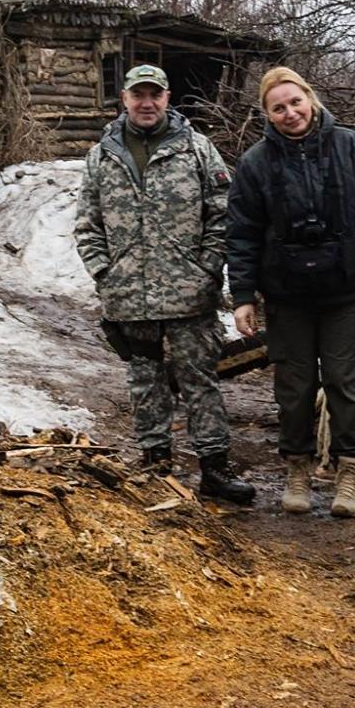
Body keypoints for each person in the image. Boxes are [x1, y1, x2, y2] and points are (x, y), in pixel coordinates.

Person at [227, 67, 355, 518]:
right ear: (267, 115)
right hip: (286, 295)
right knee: (294, 387)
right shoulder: (255, 163)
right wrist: (243, 294)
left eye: (295, 102)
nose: (290, 114)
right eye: (278, 108)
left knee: (346, 385)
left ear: (311, 99)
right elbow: (243, 234)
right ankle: (298, 471)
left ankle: (349, 474)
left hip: (345, 291)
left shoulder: (351, 149)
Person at [73, 64, 249, 503]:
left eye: (155, 95)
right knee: (144, 380)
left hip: (189, 294)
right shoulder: (103, 156)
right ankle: (155, 467)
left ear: (168, 98)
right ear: (125, 100)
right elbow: (87, 224)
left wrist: (207, 266)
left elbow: (224, 213)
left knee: (199, 380)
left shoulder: (197, 149)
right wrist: (104, 273)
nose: (147, 103)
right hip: (129, 296)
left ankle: (214, 469)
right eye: (138, 95)